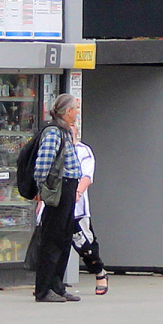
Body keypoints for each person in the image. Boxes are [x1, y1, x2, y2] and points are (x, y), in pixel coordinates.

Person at [32, 94, 84, 303]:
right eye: (75, 109)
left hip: (68, 186)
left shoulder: (65, 131)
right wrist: (41, 187)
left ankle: (57, 285)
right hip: (59, 188)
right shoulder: (54, 132)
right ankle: (44, 289)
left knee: (63, 238)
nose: (77, 113)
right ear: (68, 111)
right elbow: (44, 161)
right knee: (52, 238)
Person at [71, 126, 109, 295]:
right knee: (52, 245)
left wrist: (78, 192)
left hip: (76, 207)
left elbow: (87, 176)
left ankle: (99, 271)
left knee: (84, 244)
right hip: (53, 205)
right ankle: (50, 282)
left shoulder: (83, 151)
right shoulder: (55, 148)